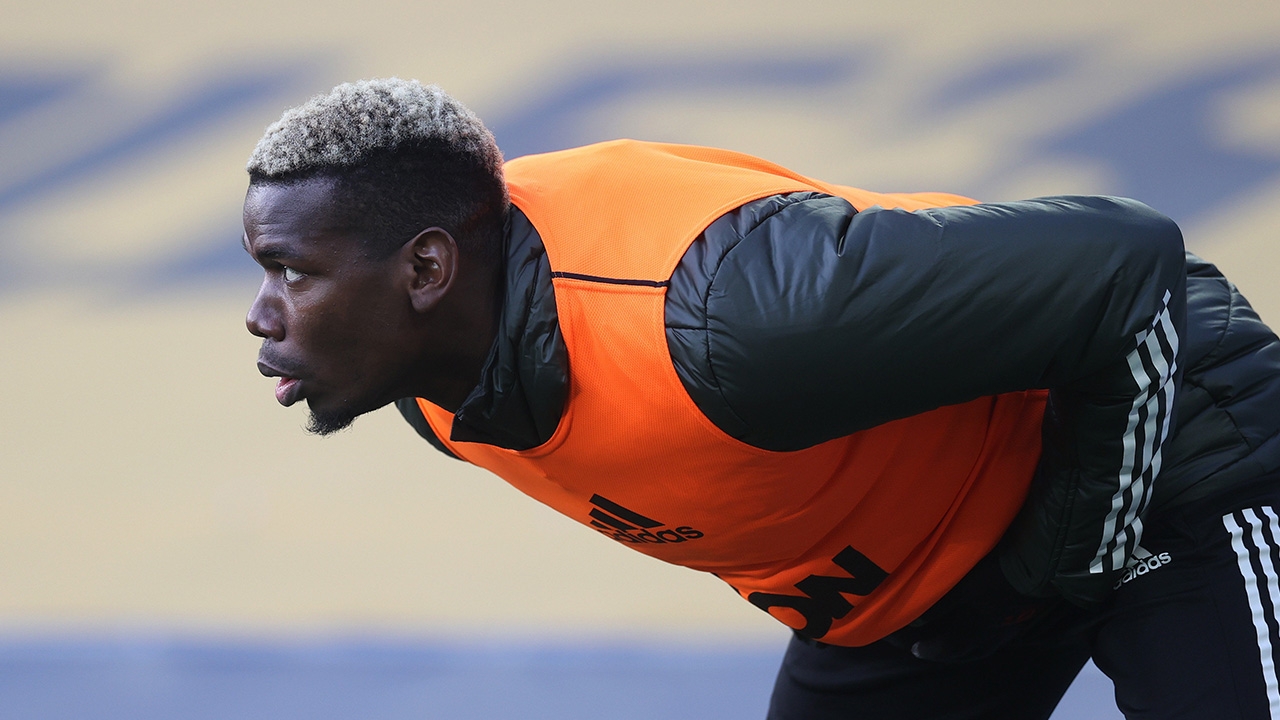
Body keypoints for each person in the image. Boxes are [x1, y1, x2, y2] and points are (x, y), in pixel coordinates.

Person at [241, 77, 1280, 719]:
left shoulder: (728, 320)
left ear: (427, 270)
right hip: (930, 574)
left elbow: (1125, 266)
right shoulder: (432, 384)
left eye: (292, 271)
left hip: (1164, 440)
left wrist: (1062, 553)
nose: (259, 314)